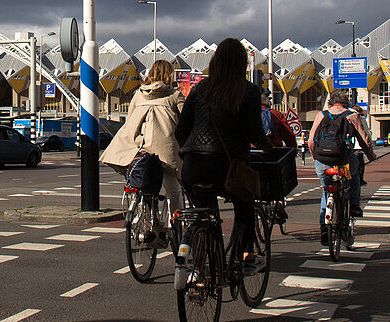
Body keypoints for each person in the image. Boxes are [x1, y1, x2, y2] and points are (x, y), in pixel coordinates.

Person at [175, 38, 271, 269]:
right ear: (241, 64)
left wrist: (190, 152)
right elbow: (255, 132)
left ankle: (201, 262)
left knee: (202, 214)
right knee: (245, 204)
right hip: (228, 167)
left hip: (193, 168)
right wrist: (268, 147)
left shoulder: (199, 90)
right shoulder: (248, 91)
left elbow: (180, 131)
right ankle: (241, 257)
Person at [101, 59, 186, 218]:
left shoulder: (139, 95)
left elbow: (130, 120)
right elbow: (187, 121)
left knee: (144, 187)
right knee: (173, 189)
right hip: (166, 150)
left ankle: (145, 221)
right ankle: (177, 224)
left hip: (140, 149)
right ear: (169, 74)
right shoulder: (175, 95)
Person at [308, 94, 376, 245]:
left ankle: (325, 230)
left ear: (330, 103)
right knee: (354, 175)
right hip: (343, 161)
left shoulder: (321, 115)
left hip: (323, 161)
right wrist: (371, 156)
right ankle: (355, 205)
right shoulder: (352, 116)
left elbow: (311, 141)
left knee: (327, 192)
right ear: (346, 103)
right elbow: (364, 140)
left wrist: (315, 157)